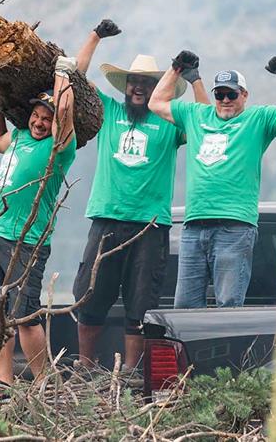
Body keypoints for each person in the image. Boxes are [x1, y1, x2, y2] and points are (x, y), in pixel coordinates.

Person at [71, 20, 210, 370]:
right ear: (125, 85)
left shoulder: (170, 123)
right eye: (133, 81)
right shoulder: (109, 112)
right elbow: (74, 79)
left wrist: (193, 79)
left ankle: (132, 375)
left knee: (140, 305)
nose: (138, 87)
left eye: (146, 83)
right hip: (107, 218)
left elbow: (206, 121)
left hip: (150, 226)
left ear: (156, 88)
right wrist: (95, 36)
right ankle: (85, 369)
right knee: (89, 299)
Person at [148, 53, 276, 308]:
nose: (225, 101)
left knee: (228, 305)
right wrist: (175, 68)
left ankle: (231, 350)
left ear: (244, 95)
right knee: (185, 308)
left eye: (231, 94)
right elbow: (156, 103)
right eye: (219, 95)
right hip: (194, 226)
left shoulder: (257, 119)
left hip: (234, 227)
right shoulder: (196, 114)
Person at [0, 56, 78, 385]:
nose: (39, 122)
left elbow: (64, 113)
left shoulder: (59, 148)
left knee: (26, 318)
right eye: (36, 115)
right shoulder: (20, 137)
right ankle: (4, 382)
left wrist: (63, 73)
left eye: (46, 119)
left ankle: (44, 383)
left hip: (27, 243)